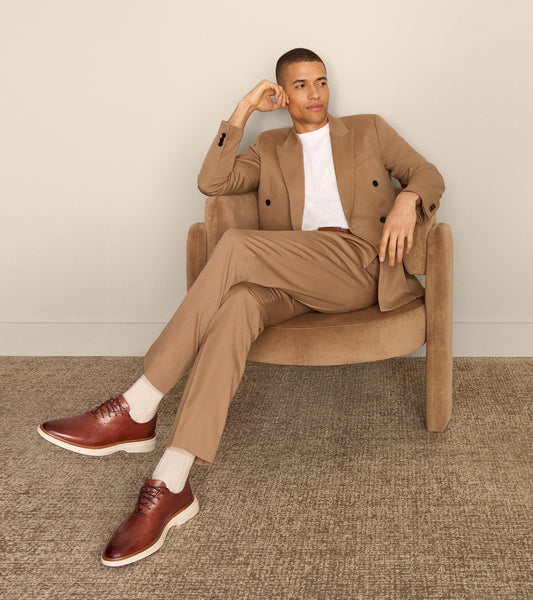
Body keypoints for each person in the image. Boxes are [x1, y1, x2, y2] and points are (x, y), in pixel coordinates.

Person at [37, 48, 444, 567]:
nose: (315, 93)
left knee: (234, 246)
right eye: (301, 85)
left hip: (358, 264)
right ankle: (171, 481)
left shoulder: (369, 130)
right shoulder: (270, 147)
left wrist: (408, 200)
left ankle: (138, 405)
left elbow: (427, 173)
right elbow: (212, 182)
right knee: (237, 306)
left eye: (321, 81)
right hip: (293, 275)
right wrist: (244, 109)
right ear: (283, 94)